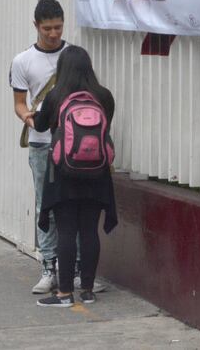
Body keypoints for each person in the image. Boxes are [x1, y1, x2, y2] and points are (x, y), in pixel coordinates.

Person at [32, 46, 117, 308]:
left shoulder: (56, 95)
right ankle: (88, 291)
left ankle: (64, 294)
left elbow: (40, 125)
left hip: (64, 173)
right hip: (97, 173)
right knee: (89, 230)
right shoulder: (104, 96)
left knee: (67, 231)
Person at [11, 0, 68, 294]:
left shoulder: (73, 55)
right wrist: (31, 120)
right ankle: (48, 267)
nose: (53, 34)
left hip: (71, 144)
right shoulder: (22, 61)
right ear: (36, 26)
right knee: (44, 207)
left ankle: (75, 268)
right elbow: (19, 104)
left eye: (58, 27)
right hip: (40, 143)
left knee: (73, 206)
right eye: (47, 29)